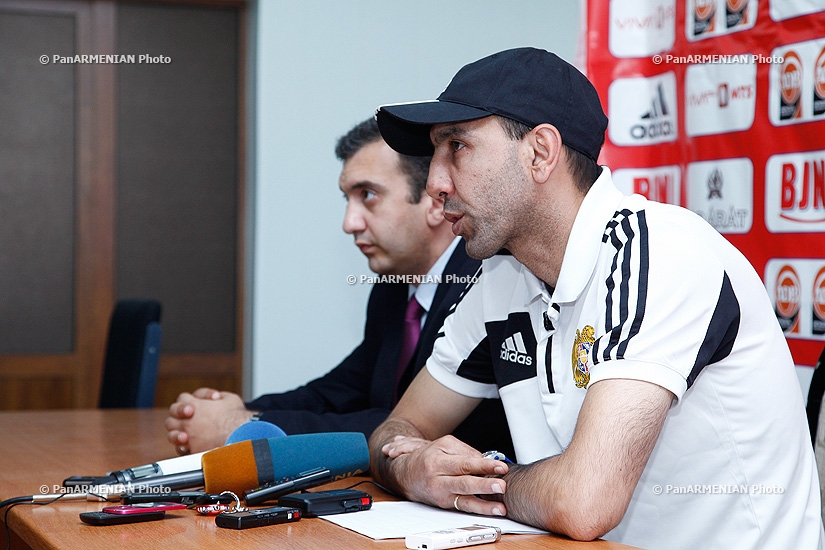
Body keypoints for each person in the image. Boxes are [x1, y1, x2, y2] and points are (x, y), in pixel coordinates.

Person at [368, 47, 824, 549]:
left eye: (456, 146)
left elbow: (585, 502)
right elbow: (401, 425)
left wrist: (466, 485)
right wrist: (412, 468)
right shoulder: (501, 276)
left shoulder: (663, 252)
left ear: (540, 152)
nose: (435, 183)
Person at [164, 118, 513, 458]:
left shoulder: (485, 279)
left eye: (368, 195)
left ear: (436, 202)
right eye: (347, 199)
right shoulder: (392, 288)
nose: (349, 223)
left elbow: (422, 428)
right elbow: (345, 388)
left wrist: (246, 425)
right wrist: (234, 410)